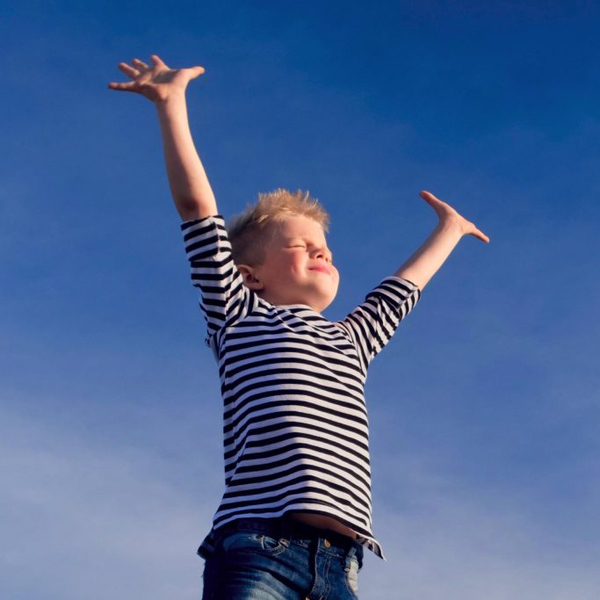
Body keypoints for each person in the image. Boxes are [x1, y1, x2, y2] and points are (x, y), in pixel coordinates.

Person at [109, 55, 489, 600]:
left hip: (343, 568)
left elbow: (402, 290)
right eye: (301, 247)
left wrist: (449, 232)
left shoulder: (352, 340)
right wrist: (172, 106)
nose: (322, 253)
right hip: (260, 551)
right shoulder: (239, 314)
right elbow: (198, 209)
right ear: (250, 274)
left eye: (326, 249)